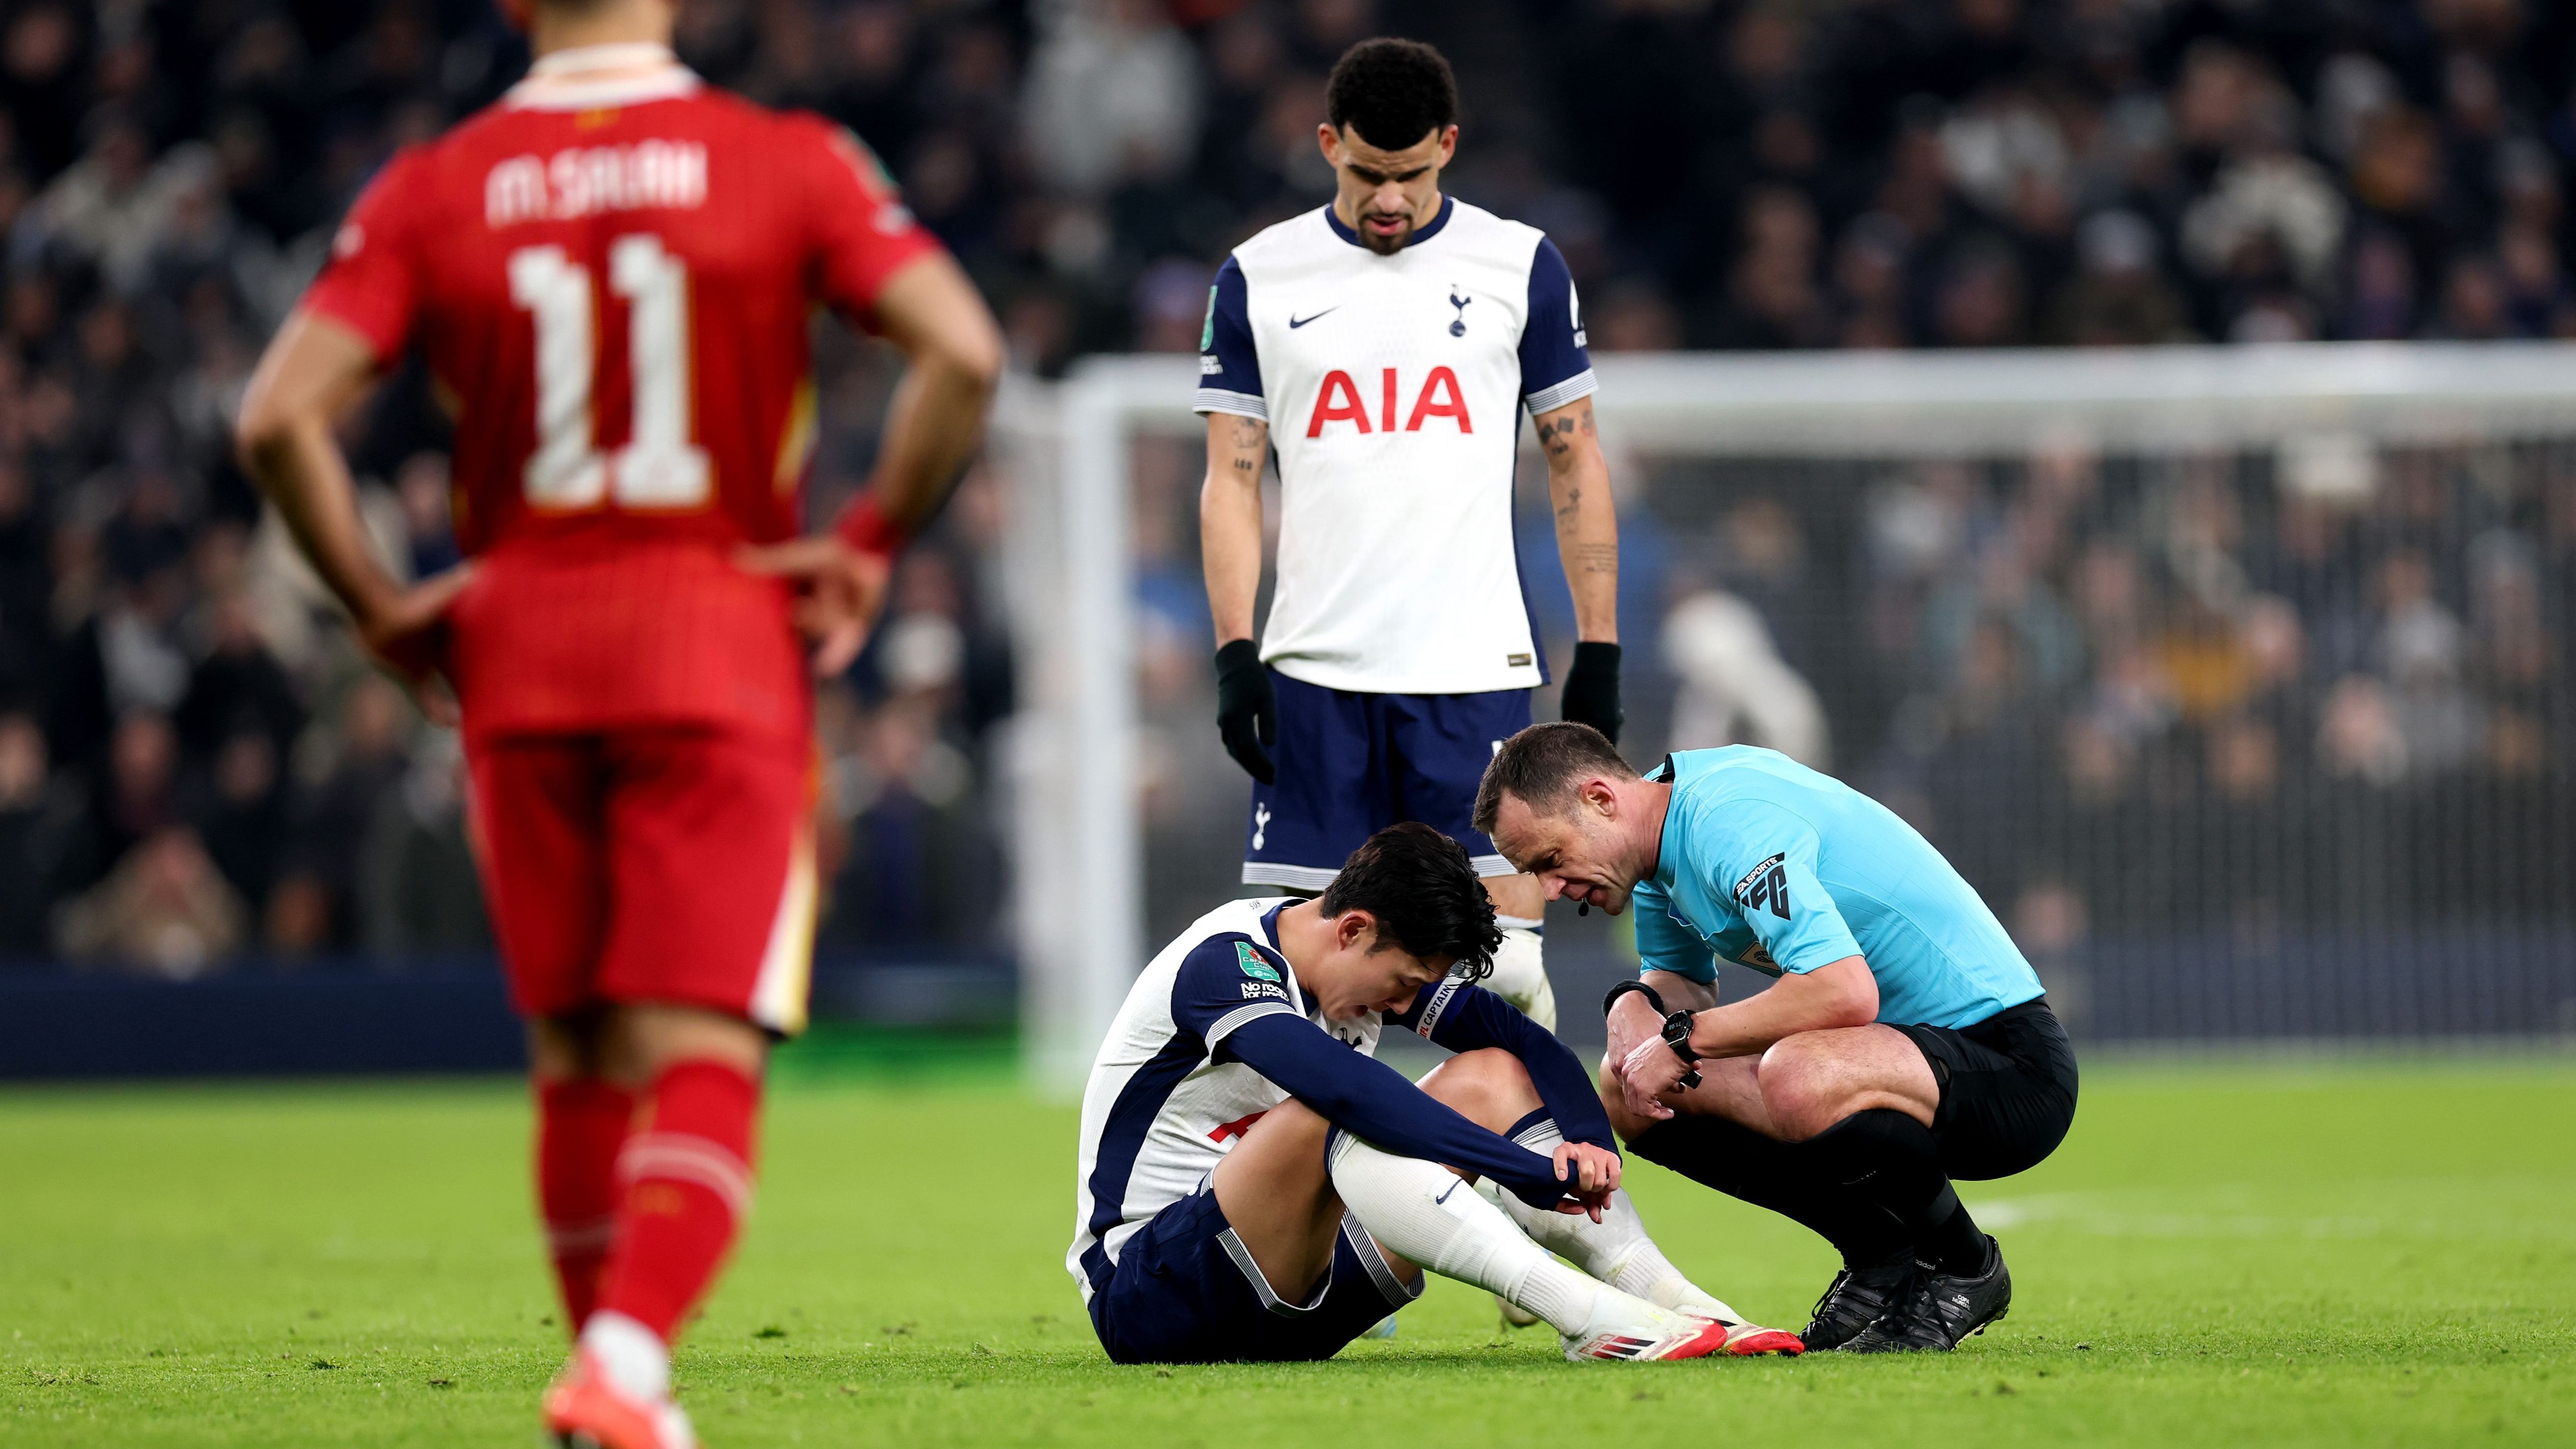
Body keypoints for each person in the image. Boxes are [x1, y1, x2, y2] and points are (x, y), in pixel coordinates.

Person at [233, 1, 1003, 1444]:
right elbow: (959, 351)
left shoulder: (433, 180)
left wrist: (381, 606)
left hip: (515, 651)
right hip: (713, 636)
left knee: (578, 1050)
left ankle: (610, 1375)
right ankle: (629, 1360)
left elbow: (277, 418)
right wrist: (866, 536)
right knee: (698, 1038)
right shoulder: (785, 159)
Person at [1197, 38, 1626, 1034]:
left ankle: (1518, 1182)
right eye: (1364, 174)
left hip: (1470, 668)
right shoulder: (1259, 275)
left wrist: (1596, 646)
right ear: (1324, 146)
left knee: (1503, 975)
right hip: (1313, 676)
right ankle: (1330, 1192)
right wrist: (1232, 649)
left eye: (1411, 175)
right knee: (1307, 993)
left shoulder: (1519, 265)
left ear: (1448, 146)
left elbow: (1573, 454)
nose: (1387, 200)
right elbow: (1230, 474)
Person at [1073, 822, 1802, 1366]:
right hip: (1152, 1296)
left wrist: (1584, 1143)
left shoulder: (1362, 960)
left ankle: (1670, 1298)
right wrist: (1522, 1170)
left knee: (1492, 1071)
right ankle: (1587, 1314)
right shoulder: (1226, 963)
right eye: (1406, 981)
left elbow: (1530, 1045)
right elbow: (1346, 1092)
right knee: (1338, 1106)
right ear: (1352, 928)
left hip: (1299, 1297)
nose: (1407, 1002)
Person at [1473, 724, 2079, 1353]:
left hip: (2009, 1066)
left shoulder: (1727, 820)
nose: (1549, 890)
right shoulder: (1654, 842)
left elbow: (1842, 991)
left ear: (1601, 800)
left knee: (1797, 1073)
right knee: (1626, 1085)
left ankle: (1965, 1266)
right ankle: (1880, 1253)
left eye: (1549, 860)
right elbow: (1683, 983)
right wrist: (1633, 1005)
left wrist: (1679, 1042)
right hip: (1895, 1058)